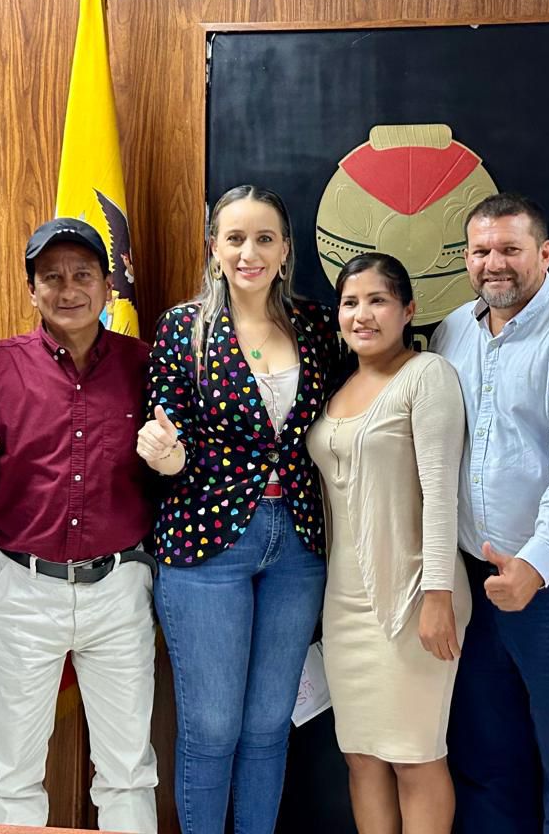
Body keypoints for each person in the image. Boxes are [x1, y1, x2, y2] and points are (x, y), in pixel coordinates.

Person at [0, 218, 158, 832]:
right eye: (51, 277)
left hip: (118, 589)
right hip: (22, 591)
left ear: (107, 286)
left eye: (83, 274)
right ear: (32, 290)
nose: (68, 289)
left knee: (129, 771)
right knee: (11, 773)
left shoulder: (143, 364)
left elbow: (172, 461)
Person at [135, 184, 339, 834]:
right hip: (206, 544)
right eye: (235, 239)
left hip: (299, 546)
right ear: (214, 248)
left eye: (264, 239)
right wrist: (166, 455)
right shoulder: (184, 328)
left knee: (269, 725)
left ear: (285, 250)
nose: (249, 253)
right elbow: (166, 431)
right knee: (212, 726)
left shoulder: (316, 326)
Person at [430, 193, 549, 834]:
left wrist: (535, 567)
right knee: (488, 768)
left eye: (510, 249)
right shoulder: (452, 332)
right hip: (473, 585)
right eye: (481, 250)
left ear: (545, 253)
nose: (495, 263)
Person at [307, 252, 470, 834]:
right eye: (350, 302)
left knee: (415, 755)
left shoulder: (427, 376)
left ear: (408, 310)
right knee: (360, 756)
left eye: (377, 300)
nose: (362, 314)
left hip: (414, 597)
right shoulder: (339, 384)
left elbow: (441, 493)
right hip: (344, 604)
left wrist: (437, 596)